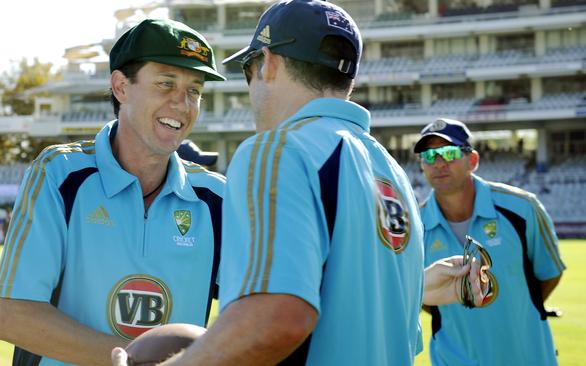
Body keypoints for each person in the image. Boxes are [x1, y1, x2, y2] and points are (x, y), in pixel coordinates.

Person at [113, 1, 487, 365]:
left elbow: (277, 318)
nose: (250, 85)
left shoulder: (277, 150)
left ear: (270, 63)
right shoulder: (393, 172)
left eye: (249, 68)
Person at [0, 18, 226, 366]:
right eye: (165, 84)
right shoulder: (58, 174)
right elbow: (13, 315)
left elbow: (253, 314)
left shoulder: (217, 197)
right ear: (120, 86)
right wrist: (137, 359)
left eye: (194, 90)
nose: (182, 104)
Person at [413, 118, 566, 365]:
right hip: (452, 359)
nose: (438, 163)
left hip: (526, 357)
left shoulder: (522, 207)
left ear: (472, 160)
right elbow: (420, 294)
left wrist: (510, 310)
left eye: (448, 153)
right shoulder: (415, 226)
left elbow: (550, 274)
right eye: (428, 156)